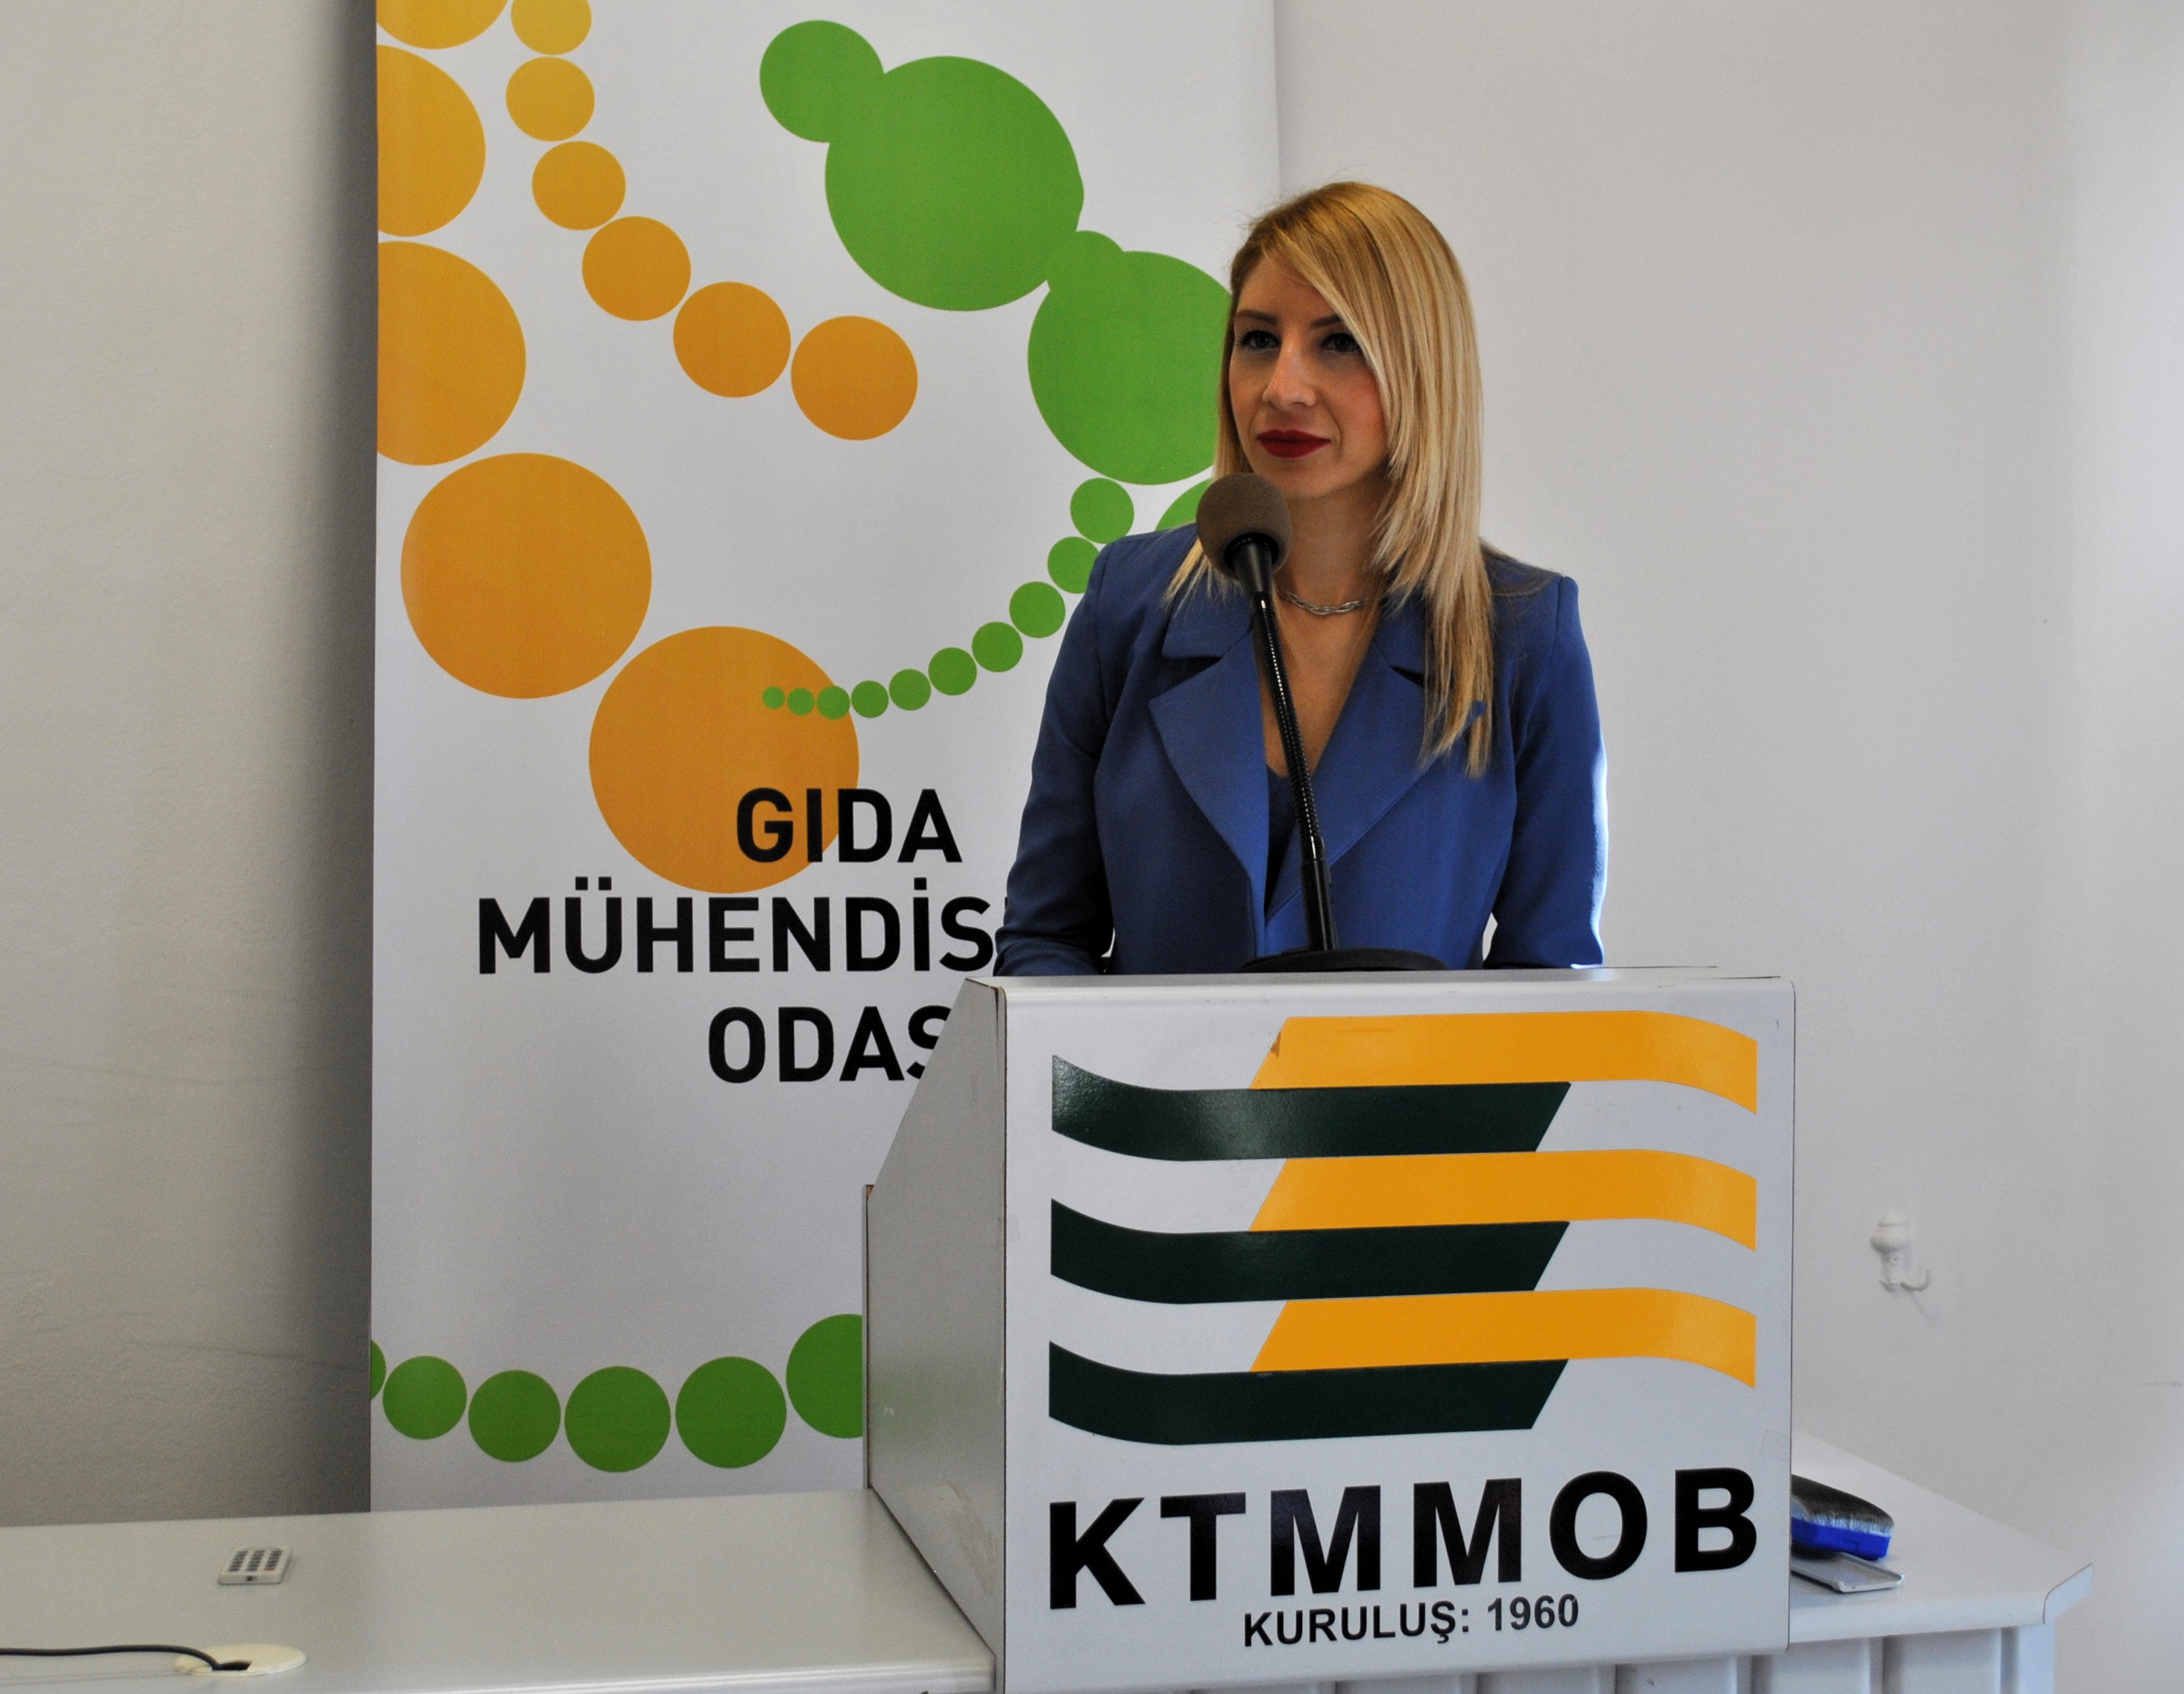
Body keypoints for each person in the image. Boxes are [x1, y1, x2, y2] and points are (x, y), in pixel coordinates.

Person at [995, 182, 1606, 975]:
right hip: (1152, 1066)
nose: (1281, 387)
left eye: (1338, 342)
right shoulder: (1129, 602)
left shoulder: (1523, 632)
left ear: (1424, 369)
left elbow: (1550, 984)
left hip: (1407, 1067)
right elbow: (1045, 941)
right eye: (1257, 339)